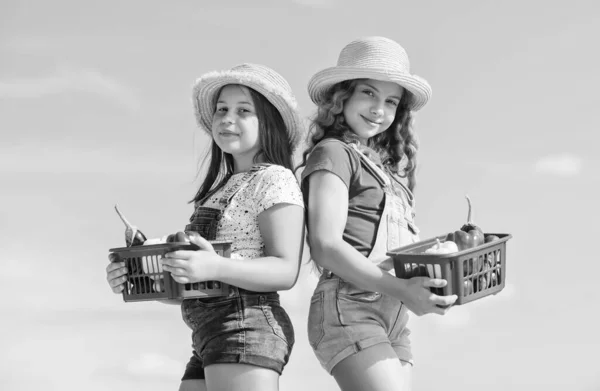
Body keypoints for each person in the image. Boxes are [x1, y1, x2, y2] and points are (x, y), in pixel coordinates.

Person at [106, 63, 306, 391]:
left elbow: (285, 270)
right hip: (208, 335)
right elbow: (195, 287)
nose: (228, 118)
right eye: (221, 109)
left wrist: (214, 264)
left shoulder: (274, 179)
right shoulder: (216, 191)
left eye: (244, 110)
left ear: (269, 122)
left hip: (245, 326)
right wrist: (140, 279)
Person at [298, 36, 458, 391]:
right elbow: (325, 245)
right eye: (368, 93)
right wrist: (402, 288)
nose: (378, 109)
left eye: (391, 101)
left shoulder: (390, 176)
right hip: (350, 306)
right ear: (343, 97)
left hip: (395, 316)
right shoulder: (334, 153)